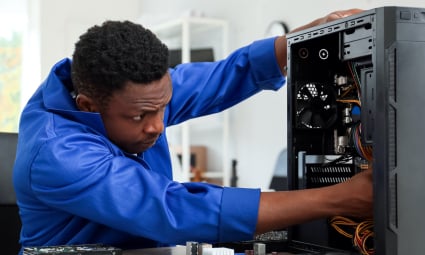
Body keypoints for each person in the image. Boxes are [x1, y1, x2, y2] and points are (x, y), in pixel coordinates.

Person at [13, 8, 372, 252]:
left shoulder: (137, 93)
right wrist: (338, 198)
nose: (156, 125)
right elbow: (172, 209)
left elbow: (226, 75)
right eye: (140, 117)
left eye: (163, 107)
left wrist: (295, 43)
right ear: (89, 106)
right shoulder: (57, 151)